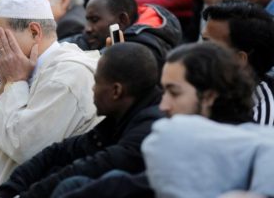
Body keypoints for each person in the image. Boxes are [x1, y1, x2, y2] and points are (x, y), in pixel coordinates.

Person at [49, 41, 255, 198]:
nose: (164, 105)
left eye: (174, 93)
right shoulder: (182, 137)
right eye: (164, 92)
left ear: (209, 96)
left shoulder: (247, 152)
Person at [0, 0, 102, 198]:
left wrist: (15, 82)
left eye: (1, 36)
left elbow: (24, 149)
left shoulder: (68, 75)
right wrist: (7, 83)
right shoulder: (23, 70)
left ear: (34, 32)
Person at [0, 42, 164, 198]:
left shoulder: (149, 131)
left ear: (116, 91)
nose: (92, 89)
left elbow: (88, 168)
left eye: (96, 83)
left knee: (73, 184)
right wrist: (13, 187)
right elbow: (60, 152)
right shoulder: (119, 120)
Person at [67, 0, 181, 70]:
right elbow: (79, 41)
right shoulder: (98, 37)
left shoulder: (142, 49)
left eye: (95, 20)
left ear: (122, 20)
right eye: (87, 20)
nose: (87, 29)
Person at [202, 0, 274, 126]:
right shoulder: (193, 84)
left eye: (209, 46)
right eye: (203, 41)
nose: (195, 50)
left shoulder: (262, 108)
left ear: (240, 60)